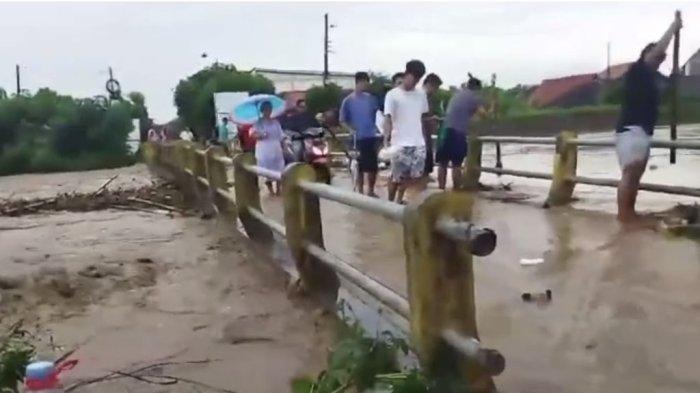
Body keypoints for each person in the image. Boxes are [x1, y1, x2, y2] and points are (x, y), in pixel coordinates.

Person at [615, 12, 682, 223]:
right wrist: (673, 27)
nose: (660, 61)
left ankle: (629, 213)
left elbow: (667, 86)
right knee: (631, 171)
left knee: (635, 173)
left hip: (641, 131)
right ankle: (625, 214)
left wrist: (674, 79)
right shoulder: (638, 70)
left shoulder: (652, 76)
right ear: (647, 55)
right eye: (658, 58)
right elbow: (659, 50)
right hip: (631, 129)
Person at [383, 60, 429, 204]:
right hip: (399, 142)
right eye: (413, 79)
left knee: (414, 177)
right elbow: (387, 118)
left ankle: (399, 200)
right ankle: (389, 202)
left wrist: (426, 139)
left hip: (418, 142)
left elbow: (422, 116)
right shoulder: (392, 95)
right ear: (406, 74)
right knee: (396, 177)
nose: (415, 83)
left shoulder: (421, 94)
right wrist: (386, 140)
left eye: (418, 80)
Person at [437, 74, 488, 190]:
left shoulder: (457, 94)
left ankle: (440, 189)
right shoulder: (475, 97)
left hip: (444, 130)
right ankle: (456, 190)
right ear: (477, 89)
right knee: (456, 164)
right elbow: (483, 114)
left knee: (442, 163)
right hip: (458, 132)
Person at [340, 72, 381, 196]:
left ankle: (371, 190)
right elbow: (342, 120)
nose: (366, 85)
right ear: (358, 82)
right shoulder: (348, 100)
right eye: (365, 83)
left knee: (373, 166)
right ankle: (360, 191)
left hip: (371, 136)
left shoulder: (371, 99)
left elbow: (378, 115)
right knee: (359, 166)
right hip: (357, 138)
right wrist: (350, 130)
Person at [252, 101, 285, 195]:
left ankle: (279, 189)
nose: (268, 111)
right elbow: (253, 134)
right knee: (266, 169)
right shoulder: (258, 123)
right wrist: (261, 135)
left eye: (269, 109)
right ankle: (270, 190)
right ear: (262, 111)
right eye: (266, 109)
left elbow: (281, 135)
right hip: (264, 148)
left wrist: (285, 145)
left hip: (276, 147)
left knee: (279, 167)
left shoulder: (275, 122)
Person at [422, 73, 443, 177]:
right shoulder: (420, 98)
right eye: (436, 87)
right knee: (421, 170)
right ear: (429, 85)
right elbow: (414, 118)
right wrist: (431, 119)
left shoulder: (428, 98)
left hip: (427, 137)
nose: (436, 91)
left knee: (426, 168)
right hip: (420, 139)